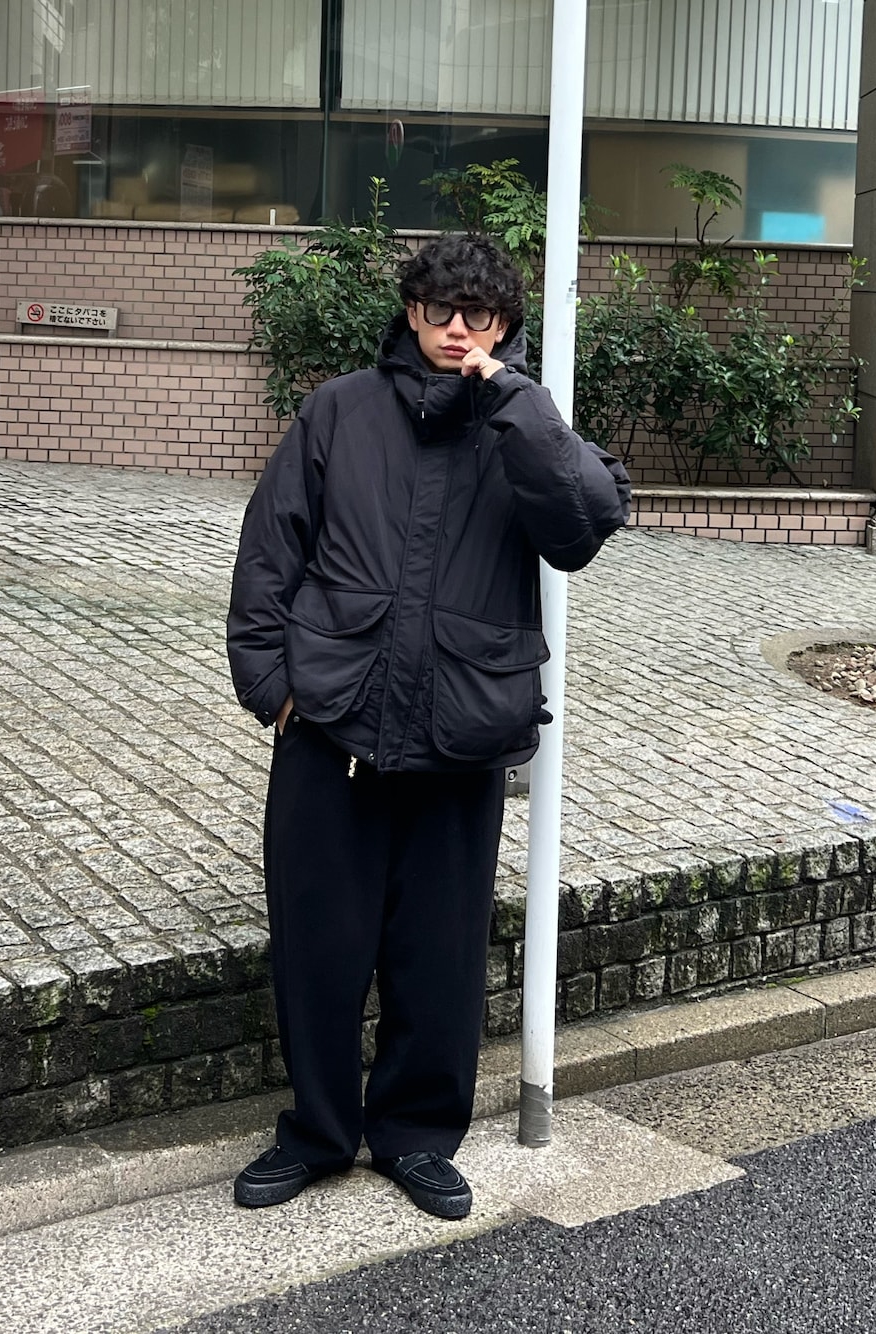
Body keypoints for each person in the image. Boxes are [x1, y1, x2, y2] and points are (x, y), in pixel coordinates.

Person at [226, 233, 631, 1219]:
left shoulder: (524, 427)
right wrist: (274, 688)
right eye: (440, 310)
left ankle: (414, 1135)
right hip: (331, 726)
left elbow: (584, 526)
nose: (457, 329)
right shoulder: (339, 410)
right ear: (411, 312)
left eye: (478, 314)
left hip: (463, 735)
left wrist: (519, 404)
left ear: (505, 324)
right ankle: (318, 1132)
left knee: (439, 955)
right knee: (317, 948)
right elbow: (269, 553)